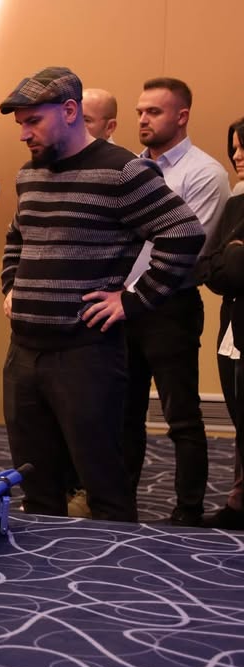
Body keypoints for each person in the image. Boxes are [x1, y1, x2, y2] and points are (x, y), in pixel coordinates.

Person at [0, 66, 204, 522]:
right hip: (24, 354)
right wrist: (12, 285)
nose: (24, 133)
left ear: (70, 111)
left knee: (104, 486)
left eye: (34, 121)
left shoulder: (123, 171)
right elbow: (16, 236)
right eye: (21, 124)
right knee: (37, 486)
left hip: (85, 355)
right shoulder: (29, 175)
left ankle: (112, 567)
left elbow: (184, 233)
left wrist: (132, 301)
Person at [121, 77, 230, 526]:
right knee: (124, 414)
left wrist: (137, 288)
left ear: (182, 116)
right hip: (122, 306)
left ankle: (188, 511)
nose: (143, 120)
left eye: (154, 112)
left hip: (170, 308)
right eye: (139, 112)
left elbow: (188, 249)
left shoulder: (205, 173)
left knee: (181, 417)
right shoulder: (129, 168)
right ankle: (120, 505)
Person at [197, 118, 244, 530]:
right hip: (232, 321)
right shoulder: (235, 201)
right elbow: (211, 267)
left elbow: (234, 267)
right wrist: (231, 256)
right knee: (239, 414)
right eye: (234, 148)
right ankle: (239, 500)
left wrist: (230, 259)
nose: (238, 156)